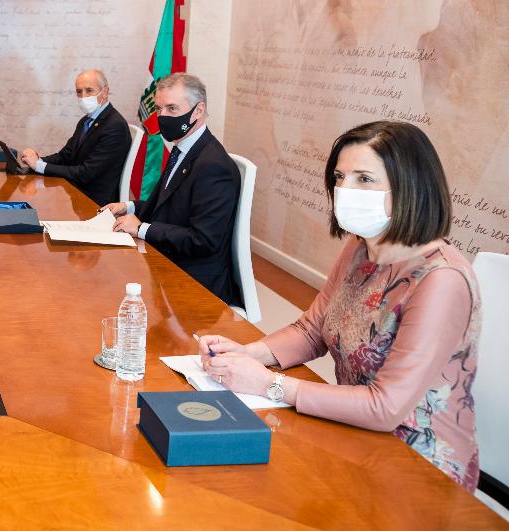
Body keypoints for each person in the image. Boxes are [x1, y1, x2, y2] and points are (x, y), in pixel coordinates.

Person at [197, 121, 481, 491]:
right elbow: (312, 330)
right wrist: (247, 355)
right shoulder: (361, 246)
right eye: (340, 176)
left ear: (411, 187)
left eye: (364, 179)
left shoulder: (440, 280)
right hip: (352, 430)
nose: (344, 190)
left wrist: (272, 385)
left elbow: (385, 408)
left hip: (417, 464)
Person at [104, 72, 241, 306]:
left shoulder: (214, 166)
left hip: (195, 283)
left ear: (198, 110)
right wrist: (127, 206)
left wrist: (142, 229)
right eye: (159, 109)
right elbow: (166, 204)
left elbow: (203, 240)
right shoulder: (182, 148)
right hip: (168, 261)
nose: (163, 117)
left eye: (172, 109)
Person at [18, 68, 131, 205]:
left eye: (89, 90)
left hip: (95, 204)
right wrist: (36, 160)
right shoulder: (86, 121)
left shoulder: (115, 126)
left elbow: (86, 173)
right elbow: (65, 156)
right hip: (77, 194)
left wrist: (40, 166)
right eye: (79, 92)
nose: (83, 96)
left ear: (105, 92)